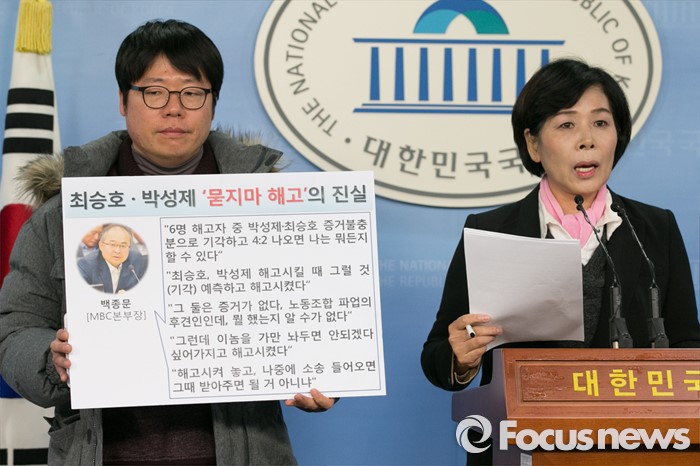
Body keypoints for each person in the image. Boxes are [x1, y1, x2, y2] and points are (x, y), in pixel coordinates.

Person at [0, 19, 335, 465]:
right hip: (102, 453)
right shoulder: (63, 214)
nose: (174, 109)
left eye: (192, 93)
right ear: (123, 100)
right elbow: (15, 330)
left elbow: (316, 320)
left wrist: (325, 372)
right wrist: (50, 357)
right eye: (154, 92)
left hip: (243, 453)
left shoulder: (271, 208)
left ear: (213, 103)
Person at [421, 58, 700, 464]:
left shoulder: (656, 230)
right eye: (567, 124)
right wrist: (462, 358)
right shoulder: (491, 230)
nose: (587, 140)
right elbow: (436, 357)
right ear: (533, 144)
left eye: (600, 123)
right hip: (520, 449)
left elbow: (688, 344)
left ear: (618, 136)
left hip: (635, 446)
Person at [77, 223, 147, 293]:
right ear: (101, 245)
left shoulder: (136, 260)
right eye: (112, 244)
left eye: (123, 246)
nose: (117, 251)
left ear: (129, 247)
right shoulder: (86, 265)